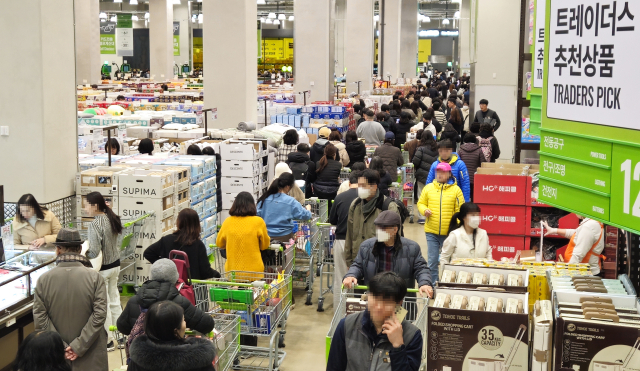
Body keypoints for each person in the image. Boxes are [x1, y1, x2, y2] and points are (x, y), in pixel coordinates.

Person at [33, 228, 108, 371]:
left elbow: (40, 318)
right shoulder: (95, 278)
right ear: (80, 249)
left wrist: (61, 347)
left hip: (56, 357)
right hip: (90, 352)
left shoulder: (43, 280)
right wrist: (77, 346)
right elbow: (99, 315)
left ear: (58, 250)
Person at [327, 272, 423, 371]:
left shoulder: (412, 336)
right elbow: (334, 367)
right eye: (375, 298)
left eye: (387, 302)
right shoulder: (347, 326)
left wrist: (398, 347)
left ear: (399, 303)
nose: (378, 307)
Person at [116, 259, 214, 347]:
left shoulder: (134, 300)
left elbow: (122, 327)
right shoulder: (179, 302)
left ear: (151, 276)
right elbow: (207, 324)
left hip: (141, 356)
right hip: (171, 355)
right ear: (175, 277)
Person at [343, 210, 433, 297]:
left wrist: (424, 283)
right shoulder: (366, 246)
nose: (379, 231)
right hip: (376, 298)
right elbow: (358, 265)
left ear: (395, 230)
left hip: (400, 299)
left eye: (383, 228)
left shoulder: (412, 248)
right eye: (378, 227)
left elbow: (421, 268)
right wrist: (351, 275)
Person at [84, 192, 124, 351]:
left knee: (104, 304)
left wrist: (83, 252)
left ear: (94, 206)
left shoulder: (95, 225)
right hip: (115, 265)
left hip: (103, 269)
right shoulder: (112, 218)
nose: (85, 208)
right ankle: (121, 337)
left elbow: (94, 251)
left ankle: (108, 340)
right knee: (115, 301)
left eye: (87, 205)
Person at [128, 301, 216, 371]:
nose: (185, 324)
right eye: (183, 320)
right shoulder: (199, 359)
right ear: (176, 330)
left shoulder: (139, 358)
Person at [417, 162, 465, 284]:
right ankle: (433, 286)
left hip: (449, 233)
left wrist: (457, 228)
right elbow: (421, 203)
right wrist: (424, 210)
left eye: (443, 172)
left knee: (447, 261)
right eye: (438, 172)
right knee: (432, 261)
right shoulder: (428, 188)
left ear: (449, 174)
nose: (439, 175)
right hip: (431, 231)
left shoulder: (456, 190)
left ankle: (446, 284)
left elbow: (461, 210)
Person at [344, 170, 400, 267]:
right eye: (359, 185)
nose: (359, 189)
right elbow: (349, 235)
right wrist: (349, 262)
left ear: (374, 187)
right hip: (358, 262)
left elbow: (396, 238)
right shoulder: (355, 205)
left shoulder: (388, 207)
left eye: (363, 186)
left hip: (381, 263)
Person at [144, 209, 220, 280]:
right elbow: (205, 272)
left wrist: (164, 266)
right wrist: (217, 274)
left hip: (171, 285)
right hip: (191, 289)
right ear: (197, 224)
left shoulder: (166, 240)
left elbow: (148, 253)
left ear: (179, 222)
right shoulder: (198, 245)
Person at [329, 170, 362, 311]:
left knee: (340, 278)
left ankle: (340, 313)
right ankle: (357, 311)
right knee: (360, 279)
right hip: (360, 242)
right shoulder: (366, 199)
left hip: (341, 240)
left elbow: (332, 220)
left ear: (349, 183)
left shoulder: (340, 197)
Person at [257, 173, 312, 243]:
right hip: (284, 238)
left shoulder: (264, 199)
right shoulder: (291, 201)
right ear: (287, 187)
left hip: (265, 237)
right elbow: (306, 215)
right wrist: (308, 209)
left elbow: (256, 215)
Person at [440, 203, 491, 267]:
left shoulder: (483, 234)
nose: (476, 218)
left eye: (477, 215)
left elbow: (488, 255)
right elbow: (444, 258)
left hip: (479, 275)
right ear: (464, 217)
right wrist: (446, 274)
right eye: (473, 215)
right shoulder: (455, 235)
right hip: (459, 275)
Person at [413, 131, 440, 224]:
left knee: (421, 195)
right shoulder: (437, 149)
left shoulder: (420, 149)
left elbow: (415, 162)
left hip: (422, 176)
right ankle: (433, 215)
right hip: (435, 176)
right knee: (433, 196)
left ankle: (422, 217)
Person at [307, 144, 342, 213]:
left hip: (318, 191)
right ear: (334, 154)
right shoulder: (338, 164)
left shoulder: (318, 163)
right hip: (333, 191)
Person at [458, 133, 486, 200]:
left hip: (463, 177)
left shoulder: (460, 150)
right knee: (474, 197)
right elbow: (483, 163)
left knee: (463, 197)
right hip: (474, 178)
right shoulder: (479, 150)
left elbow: (457, 163)